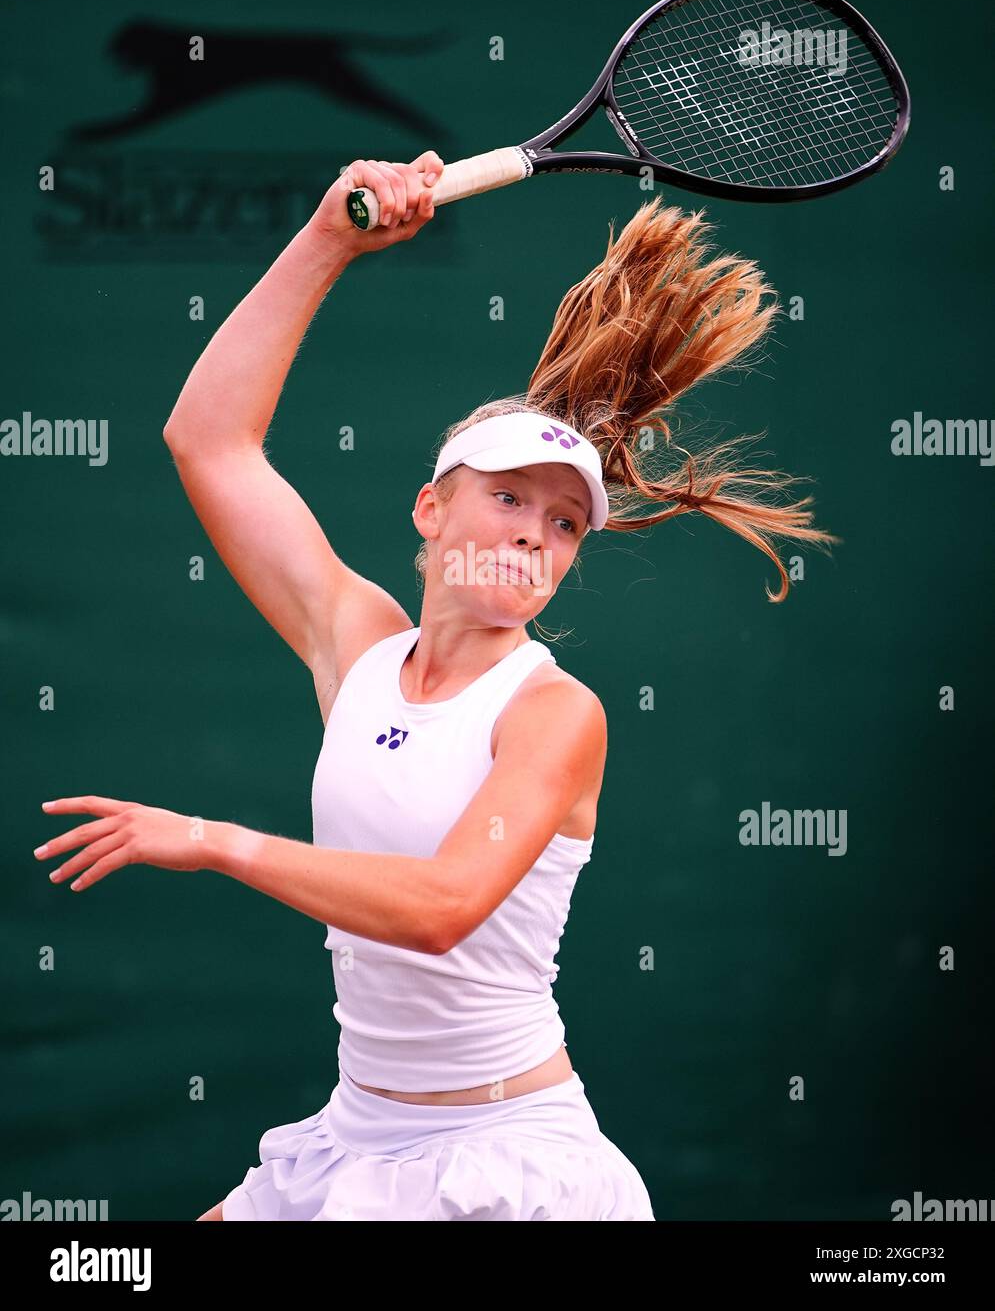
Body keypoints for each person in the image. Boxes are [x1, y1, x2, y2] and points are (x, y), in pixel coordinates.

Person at [40, 151, 837, 1220]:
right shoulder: (355, 645)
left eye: (563, 521)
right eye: (507, 497)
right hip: (352, 1136)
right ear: (430, 511)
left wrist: (214, 839)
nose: (535, 533)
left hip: (505, 1159)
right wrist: (328, 237)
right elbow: (210, 443)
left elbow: (442, 910)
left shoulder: (555, 713)